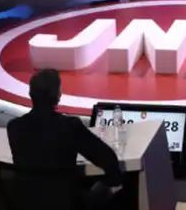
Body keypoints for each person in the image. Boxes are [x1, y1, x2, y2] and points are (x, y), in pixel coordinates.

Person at [7, 70, 123, 208]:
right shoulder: (70, 126)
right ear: (58, 96)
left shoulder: (14, 127)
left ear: (30, 94)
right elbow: (108, 160)